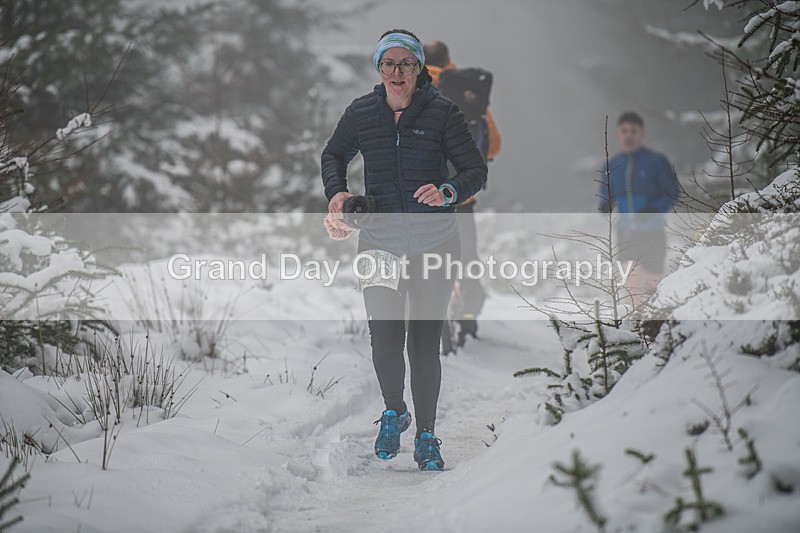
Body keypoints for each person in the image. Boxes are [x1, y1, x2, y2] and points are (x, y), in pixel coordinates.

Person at [320, 29, 488, 471]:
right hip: (379, 242)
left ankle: (428, 436)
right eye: (389, 64)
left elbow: (474, 169)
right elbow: (333, 155)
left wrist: (449, 191)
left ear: (420, 70)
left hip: (435, 242)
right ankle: (394, 411)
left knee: (423, 344)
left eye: (406, 64)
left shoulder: (443, 113)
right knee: (384, 340)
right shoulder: (361, 112)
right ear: (379, 68)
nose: (398, 72)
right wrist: (337, 194)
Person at [423, 40, 502, 346]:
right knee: (466, 260)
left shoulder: (413, 88)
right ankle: (467, 321)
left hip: (423, 197)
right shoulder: (470, 92)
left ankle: (431, 321)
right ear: (449, 60)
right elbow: (493, 143)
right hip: (462, 197)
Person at [598, 111, 679, 304]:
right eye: (624, 131)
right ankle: (636, 323)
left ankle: (653, 323)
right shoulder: (612, 164)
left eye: (633, 131)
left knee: (652, 283)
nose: (629, 135)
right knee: (631, 282)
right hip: (625, 231)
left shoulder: (656, 162)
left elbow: (672, 192)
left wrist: (654, 209)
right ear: (618, 135)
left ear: (642, 134)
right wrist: (605, 204)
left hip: (653, 230)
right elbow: (606, 193)